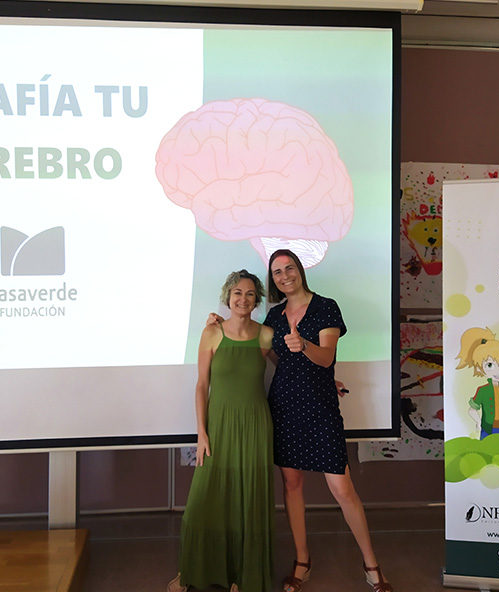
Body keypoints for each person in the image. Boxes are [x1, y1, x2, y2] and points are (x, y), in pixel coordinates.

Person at [260, 249, 392, 592]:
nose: (284, 275)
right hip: (285, 406)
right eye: (277, 272)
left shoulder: (325, 307)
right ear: (272, 280)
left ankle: (371, 565)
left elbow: (326, 356)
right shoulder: (273, 315)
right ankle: (302, 561)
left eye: (289, 268)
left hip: (320, 408)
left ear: (300, 270)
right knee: (291, 485)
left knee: (342, 488)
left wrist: (303, 346)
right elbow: (274, 355)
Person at [168, 270, 275, 592]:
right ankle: (191, 572)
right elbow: (202, 385)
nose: (243, 299)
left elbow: (293, 370)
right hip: (218, 426)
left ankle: (242, 576)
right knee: (203, 502)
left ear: (257, 299)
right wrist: (201, 433)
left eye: (250, 293)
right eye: (237, 293)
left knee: (247, 503)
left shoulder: (266, 335)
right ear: (228, 297)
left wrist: (328, 380)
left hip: (255, 425)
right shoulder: (212, 332)